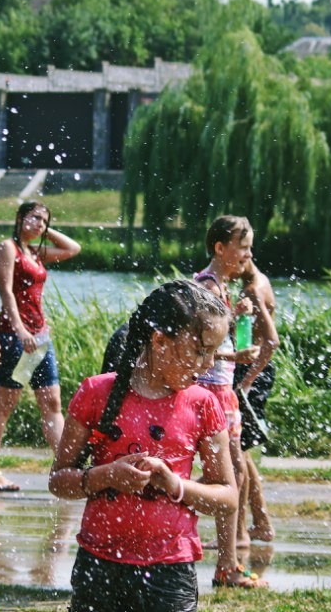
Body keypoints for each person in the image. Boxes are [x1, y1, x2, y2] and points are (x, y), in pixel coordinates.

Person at [49, 280, 238, 612]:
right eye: (200, 350)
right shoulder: (96, 394)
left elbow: (227, 497)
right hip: (99, 563)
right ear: (160, 341)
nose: (209, 363)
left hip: (170, 569)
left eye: (214, 351)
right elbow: (59, 480)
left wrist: (174, 484)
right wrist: (106, 475)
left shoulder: (203, 405)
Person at [0, 201, 80, 493]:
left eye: (44, 220)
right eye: (34, 217)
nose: (39, 223)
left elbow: (73, 249)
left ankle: (65, 469)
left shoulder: (36, 253)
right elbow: (6, 293)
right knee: (4, 405)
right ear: (20, 217)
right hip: (14, 337)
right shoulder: (7, 248)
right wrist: (20, 330)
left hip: (40, 337)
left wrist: (46, 232)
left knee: (51, 403)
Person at [193, 215, 265, 588]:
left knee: (233, 472)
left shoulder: (219, 287)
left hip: (222, 392)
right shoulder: (205, 285)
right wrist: (232, 359)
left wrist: (235, 315)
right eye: (242, 247)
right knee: (230, 472)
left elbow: (213, 336)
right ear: (220, 248)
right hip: (209, 393)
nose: (247, 255)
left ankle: (227, 562)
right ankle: (226, 564)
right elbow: (192, 348)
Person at [232, 259, 279, 544]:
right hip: (253, 370)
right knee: (242, 450)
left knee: (237, 448)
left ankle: (242, 531)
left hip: (253, 372)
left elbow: (271, 341)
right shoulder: (260, 279)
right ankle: (261, 523)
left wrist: (248, 380)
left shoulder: (251, 290)